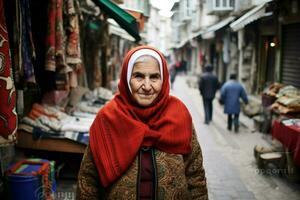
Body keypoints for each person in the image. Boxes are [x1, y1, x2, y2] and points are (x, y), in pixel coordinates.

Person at [77, 46, 208, 199]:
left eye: (154, 77)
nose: (146, 86)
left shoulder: (179, 116)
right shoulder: (108, 119)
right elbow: (87, 180)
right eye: (138, 76)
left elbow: (195, 175)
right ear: (126, 79)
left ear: (164, 79)